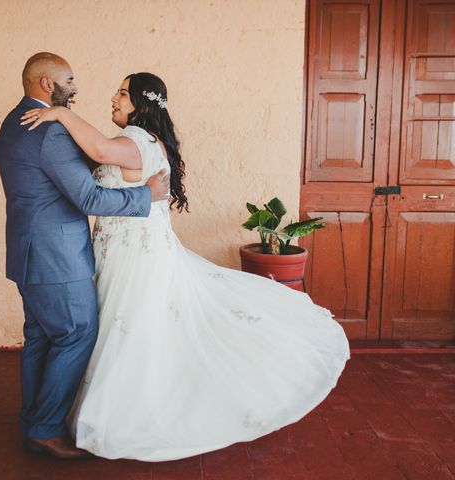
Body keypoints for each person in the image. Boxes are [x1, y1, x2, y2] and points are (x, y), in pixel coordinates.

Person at [20, 71, 350, 462]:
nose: (114, 98)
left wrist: (60, 113)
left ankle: (130, 419)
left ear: (142, 104)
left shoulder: (136, 140)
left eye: (123, 94)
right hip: (120, 249)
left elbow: (104, 152)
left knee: (133, 332)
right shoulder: (143, 139)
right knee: (124, 330)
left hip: (135, 255)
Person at [0, 54, 170, 459]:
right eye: (69, 81)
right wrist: (148, 195)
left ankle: (32, 420)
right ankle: (45, 429)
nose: (75, 88)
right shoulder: (50, 131)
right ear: (46, 85)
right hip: (57, 257)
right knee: (75, 334)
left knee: (40, 338)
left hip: (26, 250)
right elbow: (89, 197)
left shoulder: (12, 123)